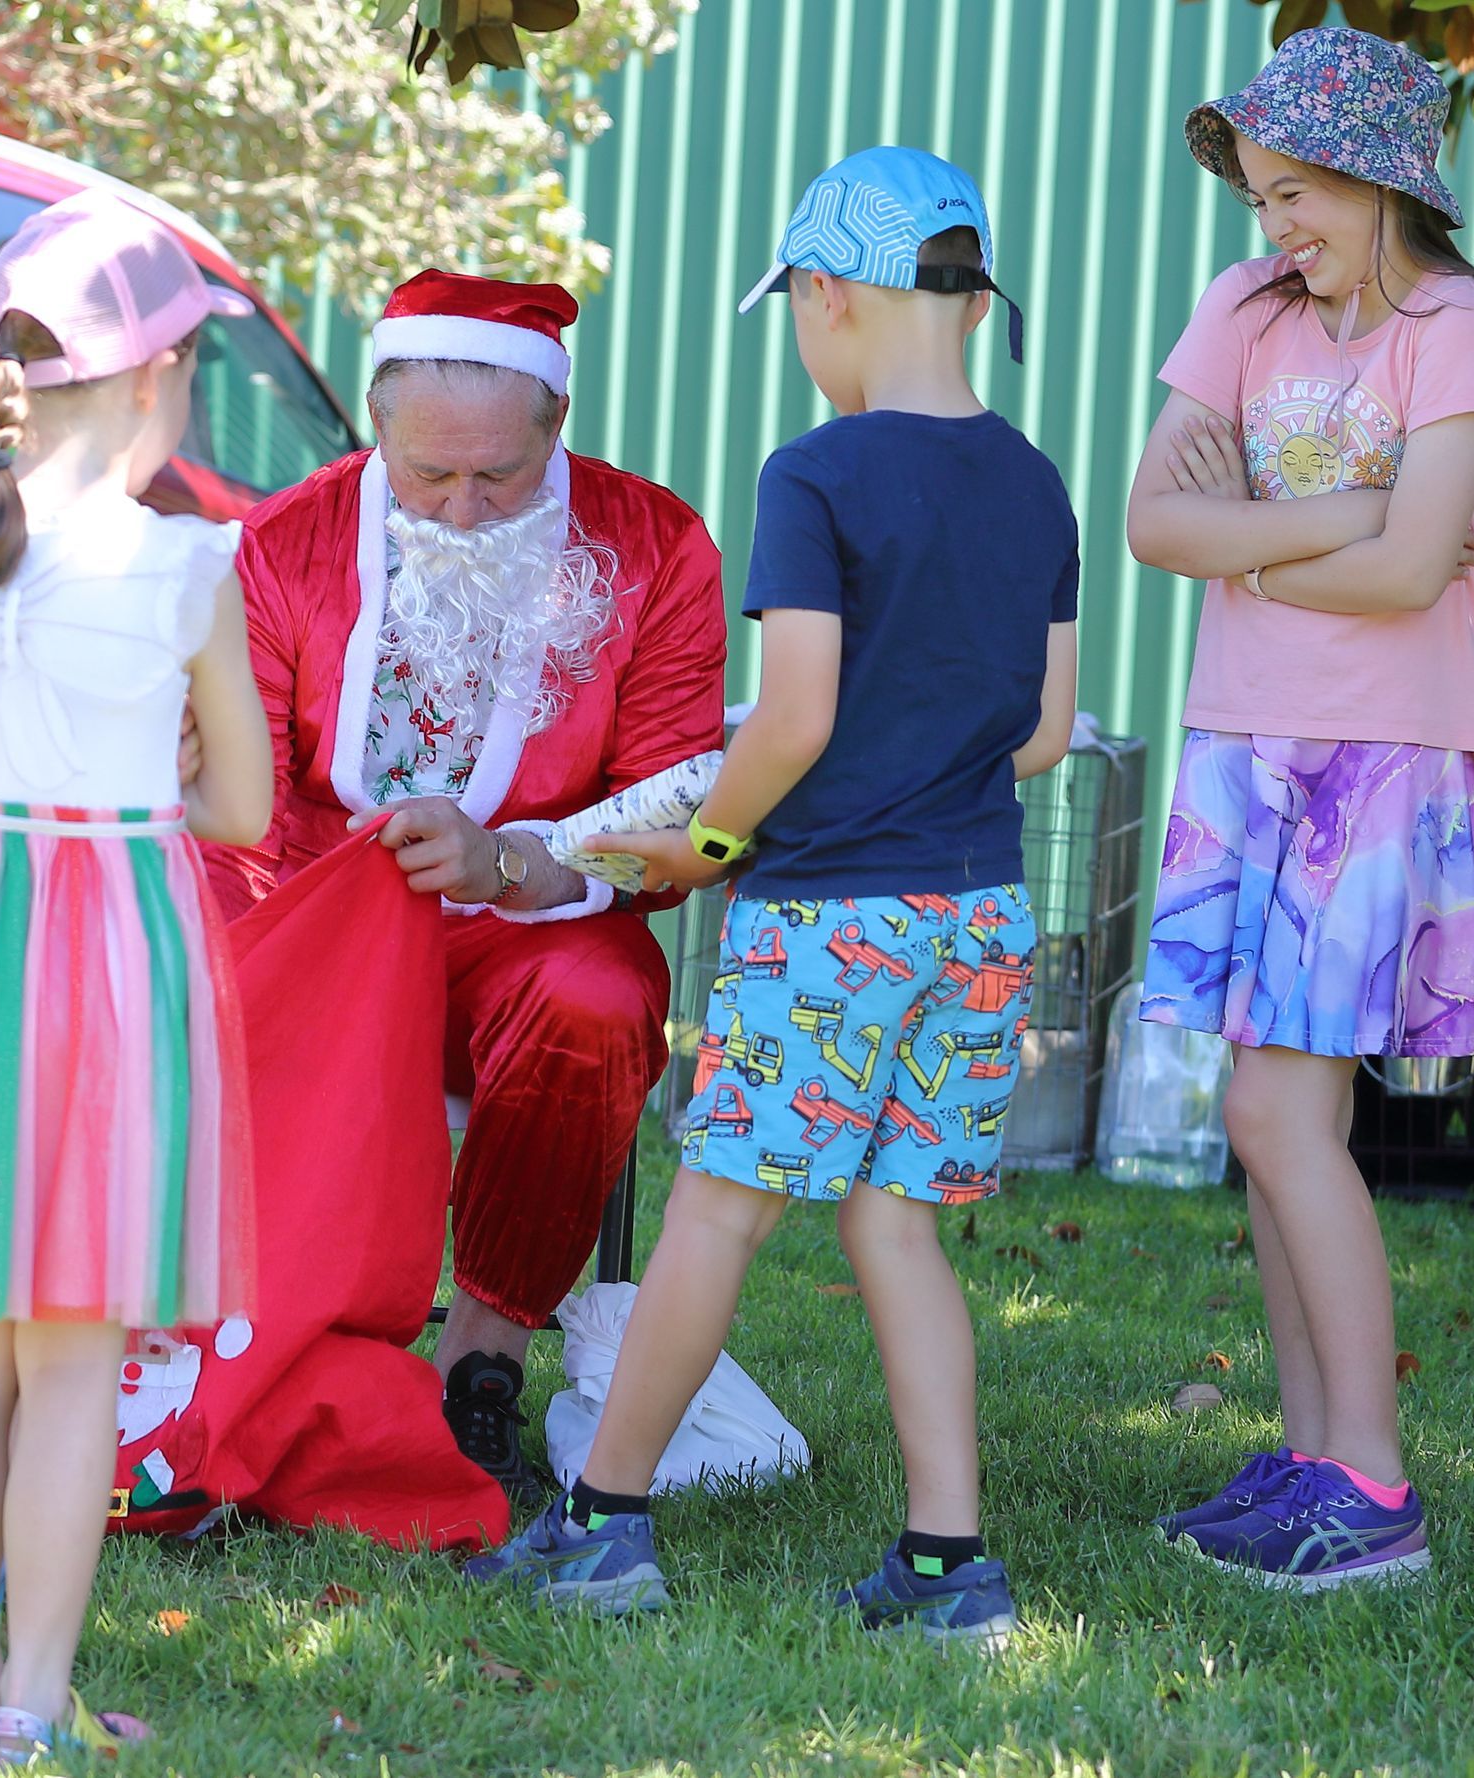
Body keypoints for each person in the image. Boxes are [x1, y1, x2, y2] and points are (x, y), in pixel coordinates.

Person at [467, 146, 1079, 1647]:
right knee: (900, 1220)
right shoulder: (1033, 476)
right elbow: (1048, 732)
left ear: (828, 294)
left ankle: (603, 1525)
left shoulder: (815, 470)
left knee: (720, 1212)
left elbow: (791, 717)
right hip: (979, 913)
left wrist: (709, 847)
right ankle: (950, 1562)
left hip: (826, 921)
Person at [0, 189, 271, 1755]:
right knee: (73, 1350)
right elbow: (244, 812)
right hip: (110, 946)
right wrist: (170, 755)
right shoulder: (182, 567)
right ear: (156, 380)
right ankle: (32, 1694)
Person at [199, 268, 727, 1505]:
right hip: (320, 913)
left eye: (498, 475)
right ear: (377, 424)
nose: (461, 506)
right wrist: (276, 945)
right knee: (213, 984)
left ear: (557, 429)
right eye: (427, 474)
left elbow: (691, 795)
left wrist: (516, 861)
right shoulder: (283, 545)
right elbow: (241, 812)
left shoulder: (653, 546)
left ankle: (477, 1360)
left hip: (526, 923)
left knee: (598, 1006)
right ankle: (257, 1349)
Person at [1124, 26, 1474, 1590]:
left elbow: (1420, 567)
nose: (1272, 225)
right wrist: (1324, 521)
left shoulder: (1456, 320)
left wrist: (1252, 536)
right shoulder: (1242, 306)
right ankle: (1309, 1457)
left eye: (1297, 194)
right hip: (1243, 744)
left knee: (1283, 1112)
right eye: (1261, 194)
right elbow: (1156, 517)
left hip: (1379, 755)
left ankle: (1374, 1483)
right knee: (1270, 1110)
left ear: (1384, 180)